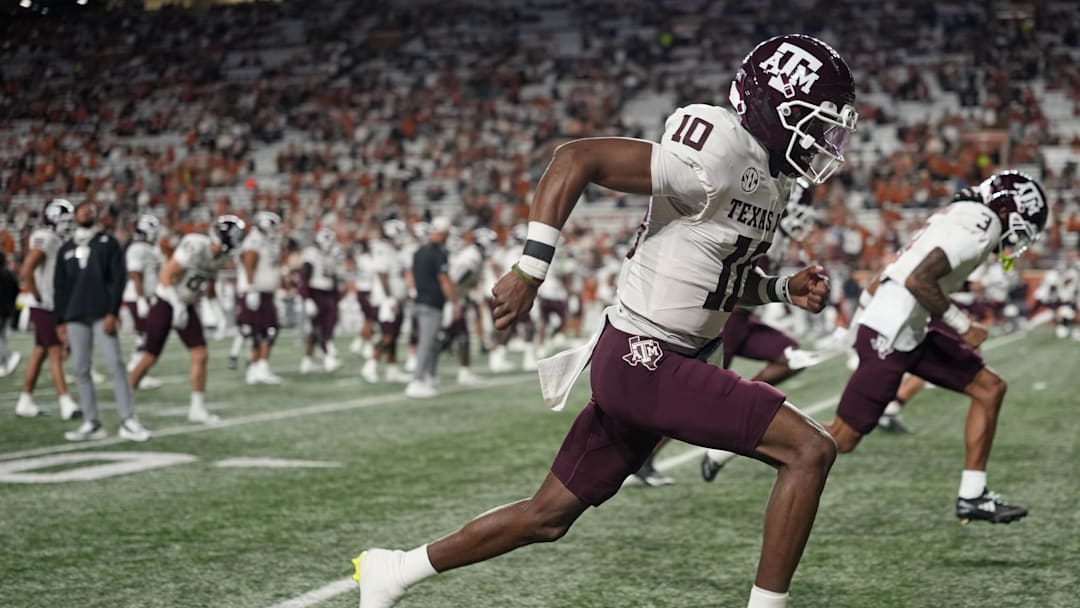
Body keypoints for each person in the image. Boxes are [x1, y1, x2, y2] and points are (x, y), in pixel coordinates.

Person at [353, 34, 857, 608]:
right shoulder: (717, 152)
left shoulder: (773, 181)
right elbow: (577, 159)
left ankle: (394, 570)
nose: (824, 139)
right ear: (772, 107)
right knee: (809, 450)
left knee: (547, 517)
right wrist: (530, 269)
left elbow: (716, 282)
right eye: (815, 122)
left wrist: (780, 290)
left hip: (663, 357)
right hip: (645, 358)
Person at [825, 171, 1048, 524]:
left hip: (911, 326)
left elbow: (902, 271)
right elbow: (918, 278)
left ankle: (973, 496)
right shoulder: (984, 221)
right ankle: (745, 441)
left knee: (989, 388)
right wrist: (963, 325)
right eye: (1022, 226)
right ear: (1009, 210)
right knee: (840, 439)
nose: (1018, 239)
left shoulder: (961, 214)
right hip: (892, 331)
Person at [128, 215, 247, 424]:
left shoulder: (221, 256)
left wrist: (219, 314)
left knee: (200, 354)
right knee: (149, 357)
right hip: (166, 301)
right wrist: (176, 304)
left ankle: (197, 408)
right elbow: (166, 275)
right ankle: (126, 404)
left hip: (188, 304)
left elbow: (209, 284)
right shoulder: (195, 245)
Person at [54, 202, 149, 442]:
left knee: (115, 365)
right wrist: (60, 321)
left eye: (89, 210)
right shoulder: (65, 248)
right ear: (75, 216)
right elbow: (60, 287)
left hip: (101, 313)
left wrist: (112, 311)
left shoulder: (107, 243)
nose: (85, 212)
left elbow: (117, 279)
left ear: (96, 215)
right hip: (75, 315)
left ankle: (128, 419)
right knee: (81, 369)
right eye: (81, 209)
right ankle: (91, 422)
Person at [14, 199, 80, 420]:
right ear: (53, 219)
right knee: (55, 351)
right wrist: (37, 296)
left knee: (40, 352)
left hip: (50, 304)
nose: (69, 225)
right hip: (45, 305)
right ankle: (66, 403)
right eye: (65, 221)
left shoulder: (56, 239)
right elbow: (27, 269)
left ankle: (25, 400)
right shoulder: (47, 238)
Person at [404, 217, 458, 398]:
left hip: (419, 301)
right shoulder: (438, 253)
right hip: (432, 303)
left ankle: (429, 376)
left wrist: (413, 290)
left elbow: (410, 273)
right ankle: (417, 380)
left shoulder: (419, 252)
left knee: (432, 342)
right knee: (426, 343)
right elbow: (444, 279)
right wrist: (454, 302)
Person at [237, 210, 284, 385]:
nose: (276, 230)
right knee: (259, 332)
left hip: (265, 292)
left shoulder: (266, 240)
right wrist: (251, 289)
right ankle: (255, 367)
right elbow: (249, 263)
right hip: (256, 292)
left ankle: (260, 367)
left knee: (268, 331)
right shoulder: (255, 240)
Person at [123, 214, 165, 389]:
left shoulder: (148, 248)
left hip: (146, 296)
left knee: (145, 335)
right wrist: (141, 299)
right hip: (138, 297)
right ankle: (137, 368)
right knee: (146, 335)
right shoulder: (137, 248)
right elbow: (135, 274)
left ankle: (136, 365)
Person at [298, 227, 345, 374]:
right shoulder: (311, 254)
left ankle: (307, 361)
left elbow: (336, 277)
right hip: (315, 293)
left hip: (329, 293)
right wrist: (307, 299)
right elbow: (304, 278)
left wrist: (337, 296)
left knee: (323, 329)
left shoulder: (335, 252)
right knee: (319, 328)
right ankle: (328, 359)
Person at [0, 250, 21, 377]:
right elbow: (16, 290)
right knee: (2, 337)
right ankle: (3, 364)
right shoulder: (7, 274)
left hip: (2, 310)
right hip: (7, 310)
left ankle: (9, 356)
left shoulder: (4, 275)